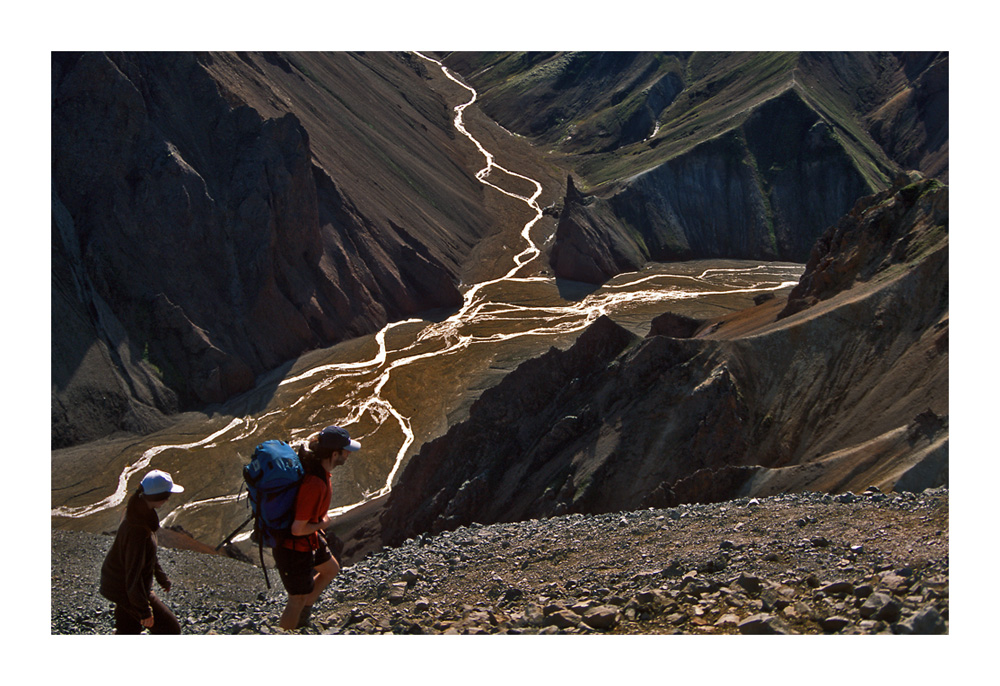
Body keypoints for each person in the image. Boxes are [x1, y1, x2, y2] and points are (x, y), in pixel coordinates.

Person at [274, 424, 360, 630]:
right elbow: (297, 529)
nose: (348, 454)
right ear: (334, 453)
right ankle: (289, 630)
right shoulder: (314, 483)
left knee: (330, 569)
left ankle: (304, 616)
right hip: (293, 547)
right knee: (296, 599)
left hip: (308, 539)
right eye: (345, 451)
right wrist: (324, 523)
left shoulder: (319, 472)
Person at [99, 469, 184, 634]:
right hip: (124, 589)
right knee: (170, 629)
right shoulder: (137, 530)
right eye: (168, 495)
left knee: (128, 630)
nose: (168, 499)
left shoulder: (139, 514)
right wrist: (144, 610)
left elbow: (147, 555)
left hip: (120, 586)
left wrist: (161, 577)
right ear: (160, 497)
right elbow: (133, 575)